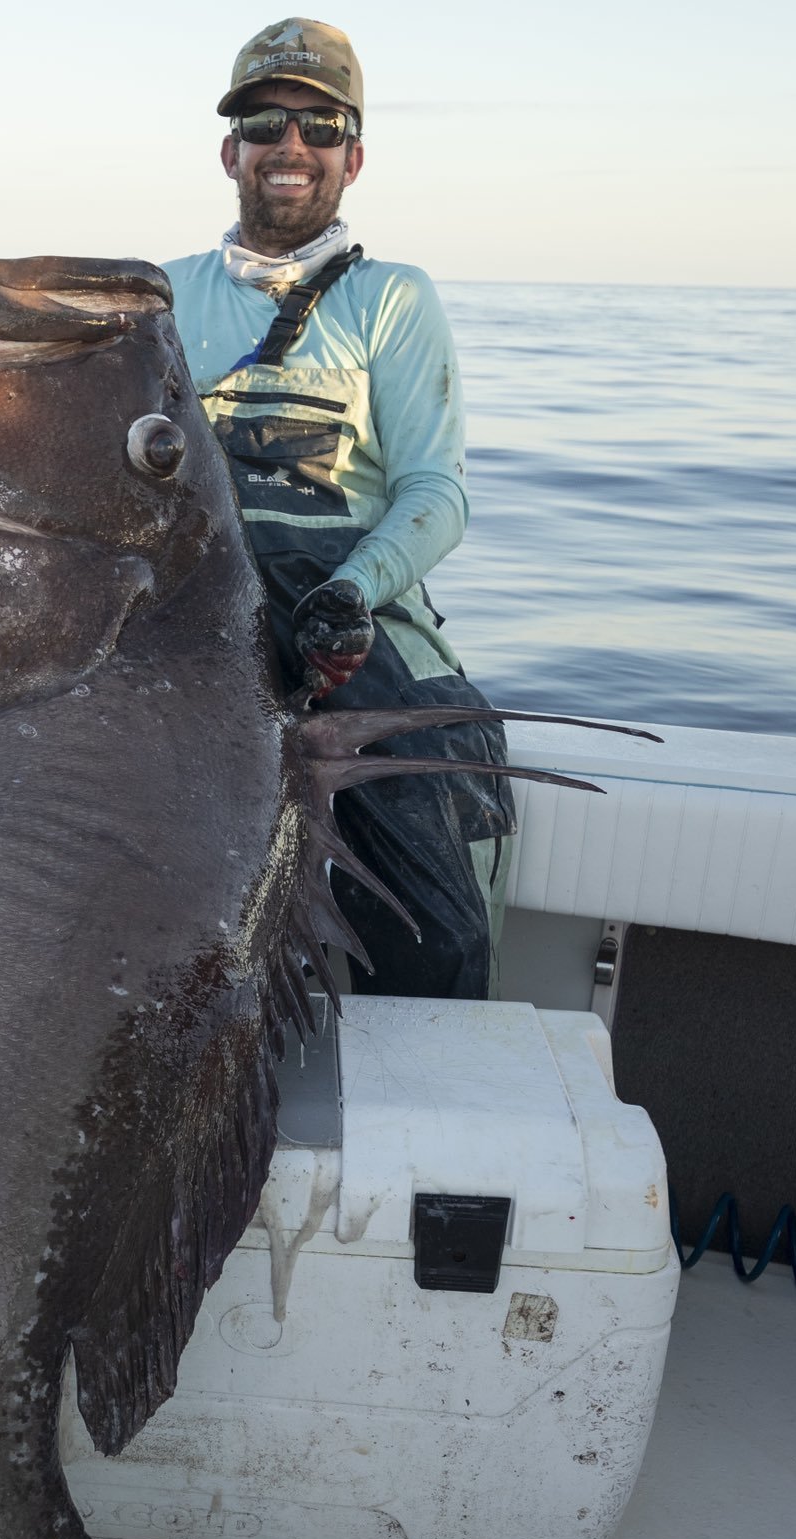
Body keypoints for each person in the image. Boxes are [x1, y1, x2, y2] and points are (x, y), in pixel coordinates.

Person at [165, 20, 513, 999]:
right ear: (229, 149)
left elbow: (436, 493)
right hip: (194, 631)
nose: (292, 147)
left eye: (320, 126)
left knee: (434, 930)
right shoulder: (159, 298)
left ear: (353, 158)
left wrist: (351, 591)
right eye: (267, 122)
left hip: (348, 628)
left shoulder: (392, 299)